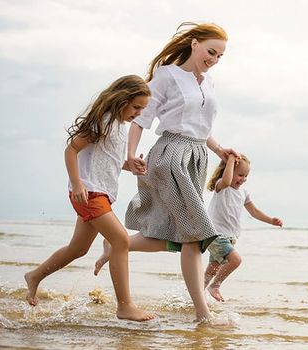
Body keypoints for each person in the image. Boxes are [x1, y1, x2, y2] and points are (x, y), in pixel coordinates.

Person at [94, 22, 235, 323]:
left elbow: (202, 128)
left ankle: (119, 244)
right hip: (170, 155)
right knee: (195, 236)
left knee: (185, 236)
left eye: (220, 56)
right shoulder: (167, 75)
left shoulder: (208, 83)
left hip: (197, 157)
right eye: (211, 52)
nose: (214, 60)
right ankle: (202, 312)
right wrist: (130, 155)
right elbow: (141, 119)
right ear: (194, 44)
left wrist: (220, 150)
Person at [24, 75, 153, 322]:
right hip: (89, 192)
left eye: (142, 109)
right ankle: (125, 306)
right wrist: (77, 183)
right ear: (121, 100)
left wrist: (131, 165)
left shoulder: (118, 127)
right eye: (136, 107)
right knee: (121, 240)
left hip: (100, 194)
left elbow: (107, 160)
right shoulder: (103, 122)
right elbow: (71, 149)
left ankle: (34, 276)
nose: (138, 113)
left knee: (78, 248)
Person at [204, 154, 283, 302]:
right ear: (228, 170)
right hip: (215, 235)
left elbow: (254, 212)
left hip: (229, 238)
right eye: (240, 175)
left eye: (246, 176)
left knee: (212, 268)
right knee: (236, 260)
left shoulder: (243, 193)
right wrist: (232, 160)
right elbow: (227, 181)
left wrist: (271, 221)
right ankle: (215, 286)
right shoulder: (222, 185)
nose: (243, 179)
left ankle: (193, 295)